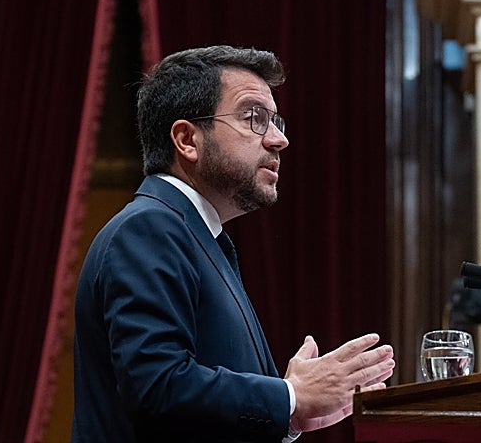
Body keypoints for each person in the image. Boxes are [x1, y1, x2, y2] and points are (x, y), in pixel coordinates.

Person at [71, 45, 395, 442]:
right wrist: (289, 396)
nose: (278, 141)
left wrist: (290, 418)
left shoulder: (201, 236)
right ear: (187, 140)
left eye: (277, 122)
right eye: (254, 118)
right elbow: (158, 386)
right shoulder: (150, 229)